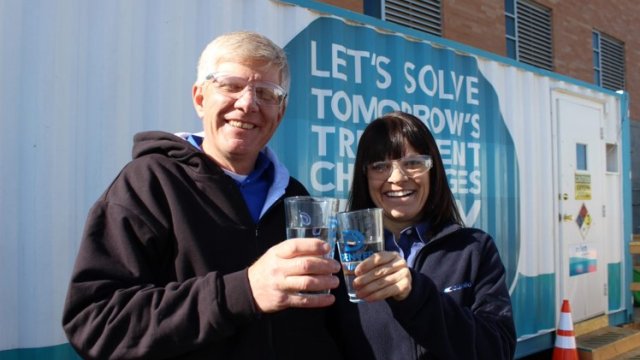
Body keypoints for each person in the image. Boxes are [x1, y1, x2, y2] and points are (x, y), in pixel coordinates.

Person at [62, 31, 343, 359]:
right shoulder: (149, 183)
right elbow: (97, 325)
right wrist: (245, 291)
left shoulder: (295, 196)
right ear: (200, 98)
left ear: (279, 113)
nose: (248, 103)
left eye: (266, 93)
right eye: (231, 85)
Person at [331, 111, 516, 359]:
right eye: (380, 166)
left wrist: (416, 294)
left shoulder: (474, 249)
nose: (397, 178)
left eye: (412, 163)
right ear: (365, 177)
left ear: (433, 170)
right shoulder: (340, 258)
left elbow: (498, 349)